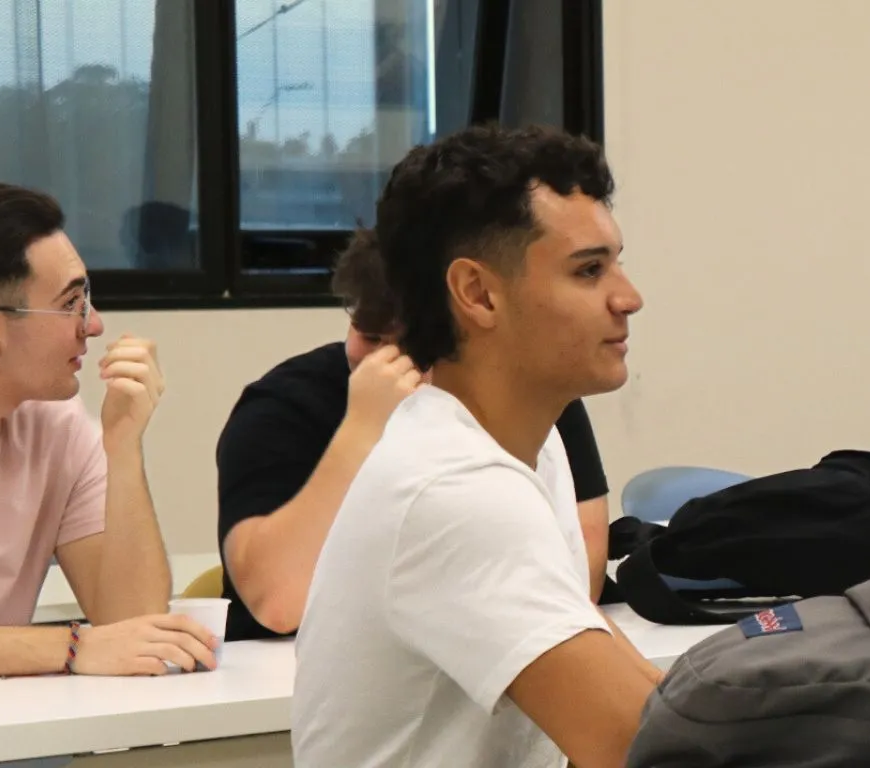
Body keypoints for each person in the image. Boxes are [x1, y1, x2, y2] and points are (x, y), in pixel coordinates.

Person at [293, 125, 659, 767]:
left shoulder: (533, 452)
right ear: (478, 294)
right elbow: (646, 746)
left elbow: (644, 700)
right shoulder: (454, 487)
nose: (628, 297)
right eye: (589, 270)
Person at [215, 231, 614, 643]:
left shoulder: (528, 394)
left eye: (413, 347)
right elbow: (279, 604)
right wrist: (361, 430)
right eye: (369, 336)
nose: (386, 361)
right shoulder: (284, 406)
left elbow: (581, 573)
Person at [0, 183, 217, 678]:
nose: (93, 325)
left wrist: (123, 445)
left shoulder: (56, 424)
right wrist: (72, 648)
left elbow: (136, 626)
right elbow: (103, 643)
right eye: (71, 303)